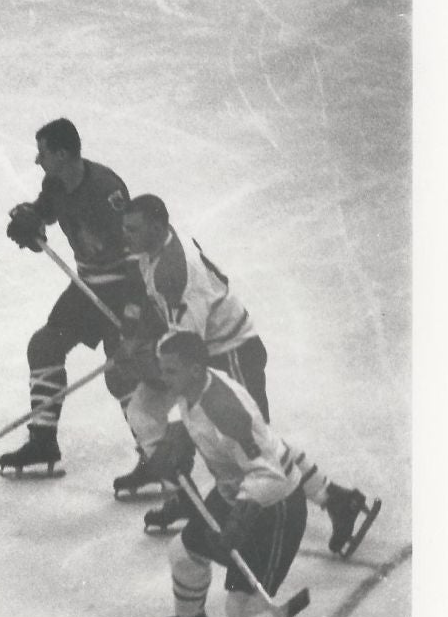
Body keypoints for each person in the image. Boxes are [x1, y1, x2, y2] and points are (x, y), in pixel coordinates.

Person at [118, 193, 379, 558]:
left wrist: (143, 366)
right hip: (204, 351)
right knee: (142, 409)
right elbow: (165, 313)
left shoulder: (175, 271)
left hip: (230, 353)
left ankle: (334, 498)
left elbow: (186, 346)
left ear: (157, 228)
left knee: (254, 441)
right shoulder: (156, 249)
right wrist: (136, 340)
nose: (124, 234)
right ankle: (185, 495)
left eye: (132, 228)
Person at [136, 330, 307, 617]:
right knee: (185, 551)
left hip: (274, 505)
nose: (165, 378)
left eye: (171, 370)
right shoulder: (192, 386)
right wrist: (176, 441)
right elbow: (184, 413)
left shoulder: (224, 409)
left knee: (244, 607)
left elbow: (271, 474)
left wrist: (240, 520)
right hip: (236, 492)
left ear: (195, 369)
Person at [0, 118, 147, 486]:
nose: (37, 160)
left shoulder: (107, 191)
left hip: (123, 288)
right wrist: (30, 220)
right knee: (45, 345)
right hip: (89, 287)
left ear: (63, 154)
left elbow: (136, 255)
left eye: (43, 152)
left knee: (121, 371)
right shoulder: (56, 182)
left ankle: (155, 455)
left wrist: (134, 313)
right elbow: (47, 210)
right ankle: (43, 442)